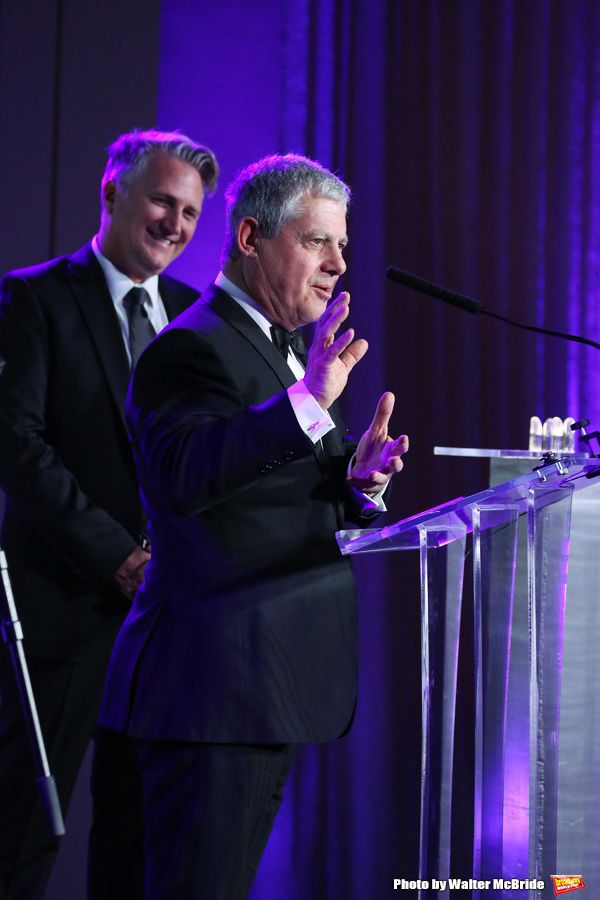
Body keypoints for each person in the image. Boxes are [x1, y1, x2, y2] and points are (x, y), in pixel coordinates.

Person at [98, 153, 409, 899]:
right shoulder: (190, 348)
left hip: (263, 690)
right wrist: (306, 405)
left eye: (342, 245)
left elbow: (276, 497)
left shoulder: (288, 357)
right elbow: (186, 478)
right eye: (316, 243)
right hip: (211, 695)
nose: (338, 264)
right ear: (250, 237)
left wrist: (358, 484)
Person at [0, 129, 218, 900]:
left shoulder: (197, 317)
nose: (176, 225)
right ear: (112, 194)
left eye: (191, 213)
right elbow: (18, 448)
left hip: (163, 629)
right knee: (23, 836)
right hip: (65, 613)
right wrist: (115, 557)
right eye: (163, 200)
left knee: (135, 846)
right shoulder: (35, 297)